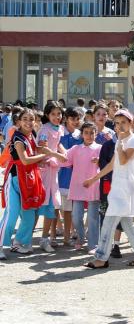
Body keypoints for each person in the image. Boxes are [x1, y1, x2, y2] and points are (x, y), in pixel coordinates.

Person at [83, 109, 134, 268]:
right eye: (117, 123)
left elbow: (124, 160)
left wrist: (119, 141)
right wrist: (93, 179)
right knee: (126, 222)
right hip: (118, 186)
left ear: (131, 123)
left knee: (109, 221)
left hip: (127, 188)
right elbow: (112, 164)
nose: (120, 126)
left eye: (123, 123)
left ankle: (101, 258)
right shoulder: (119, 141)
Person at [0, 109, 52, 260]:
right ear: (18, 122)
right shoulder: (18, 138)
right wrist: (44, 155)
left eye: (31, 119)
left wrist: (50, 155)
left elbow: (35, 156)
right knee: (12, 214)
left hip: (29, 179)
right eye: (25, 119)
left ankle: (19, 243)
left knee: (29, 215)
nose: (28, 122)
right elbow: (25, 160)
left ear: (35, 121)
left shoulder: (32, 135)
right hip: (15, 179)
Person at [60, 122, 101, 252]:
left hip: (94, 185)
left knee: (93, 217)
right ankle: (81, 237)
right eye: (86, 132)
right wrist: (50, 158)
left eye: (92, 132)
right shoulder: (76, 148)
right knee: (76, 216)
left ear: (96, 134)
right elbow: (65, 160)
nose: (89, 135)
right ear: (82, 134)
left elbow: (109, 164)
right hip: (77, 185)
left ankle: (93, 244)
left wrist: (101, 161)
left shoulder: (100, 148)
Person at [37, 101, 67, 253]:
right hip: (44, 169)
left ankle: (44, 238)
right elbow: (41, 147)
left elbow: (58, 143)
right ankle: (25, 238)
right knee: (38, 204)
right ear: (47, 115)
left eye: (59, 114)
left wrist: (64, 151)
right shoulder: (44, 128)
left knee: (52, 204)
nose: (57, 117)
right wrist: (57, 154)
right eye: (53, 114)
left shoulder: (60, 128)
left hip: (53, 170)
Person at [58, 107, 82, 246]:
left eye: (78, 118)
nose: (75, 121)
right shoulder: (59, 132)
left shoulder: (80, 134)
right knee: (56, 207)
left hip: (75, 176)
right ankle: (55, 235)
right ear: (66, 118)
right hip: (60, 175)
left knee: (70, 208)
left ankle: (68, 235)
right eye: (73, 118)